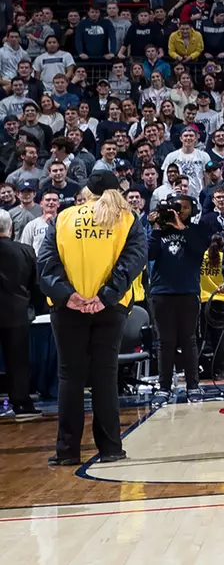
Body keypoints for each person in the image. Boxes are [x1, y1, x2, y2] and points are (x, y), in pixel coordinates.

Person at [36, 172, 147, 465]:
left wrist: (68, 295)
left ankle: (67, 451)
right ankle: (110, 447)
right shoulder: (127, 219)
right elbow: (134, 260)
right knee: (104, 376)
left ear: (87, 191)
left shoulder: (64, 218)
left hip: (68, 308)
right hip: (109, 308)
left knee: (70, 377)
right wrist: (105, 296)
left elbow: (46, 262)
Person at [145, 196, 213, 396]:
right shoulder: (159, 230)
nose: (179, 211)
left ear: (192, 211)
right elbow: (149, 254)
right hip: (161, 292)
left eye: (184, 208)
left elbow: (201, 248)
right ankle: (164, 386)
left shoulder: (197, 230)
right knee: (165, 341)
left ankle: (193, 385)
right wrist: (156, 229)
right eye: (176, 208)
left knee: (188, 340)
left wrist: (182, 228)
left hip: (188, 292)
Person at [0, 215, 41, 420]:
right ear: (12, 227)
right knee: (18, 362)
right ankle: (22, 404)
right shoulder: (25, 250)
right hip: (17, 312)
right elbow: (36, 284)